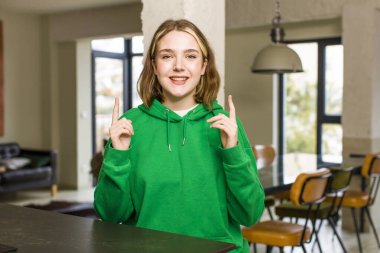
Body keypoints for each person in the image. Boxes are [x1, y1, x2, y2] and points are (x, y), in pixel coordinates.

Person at [94, 19, 264, 253]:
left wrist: (233, 152)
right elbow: (111, 216)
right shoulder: (130, 126)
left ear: (204, 65)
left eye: (191, 56)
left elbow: (250, 214)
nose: (179, 66)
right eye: (167, 56)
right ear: (154, 65)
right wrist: (118, 156)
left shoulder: (227, 126)